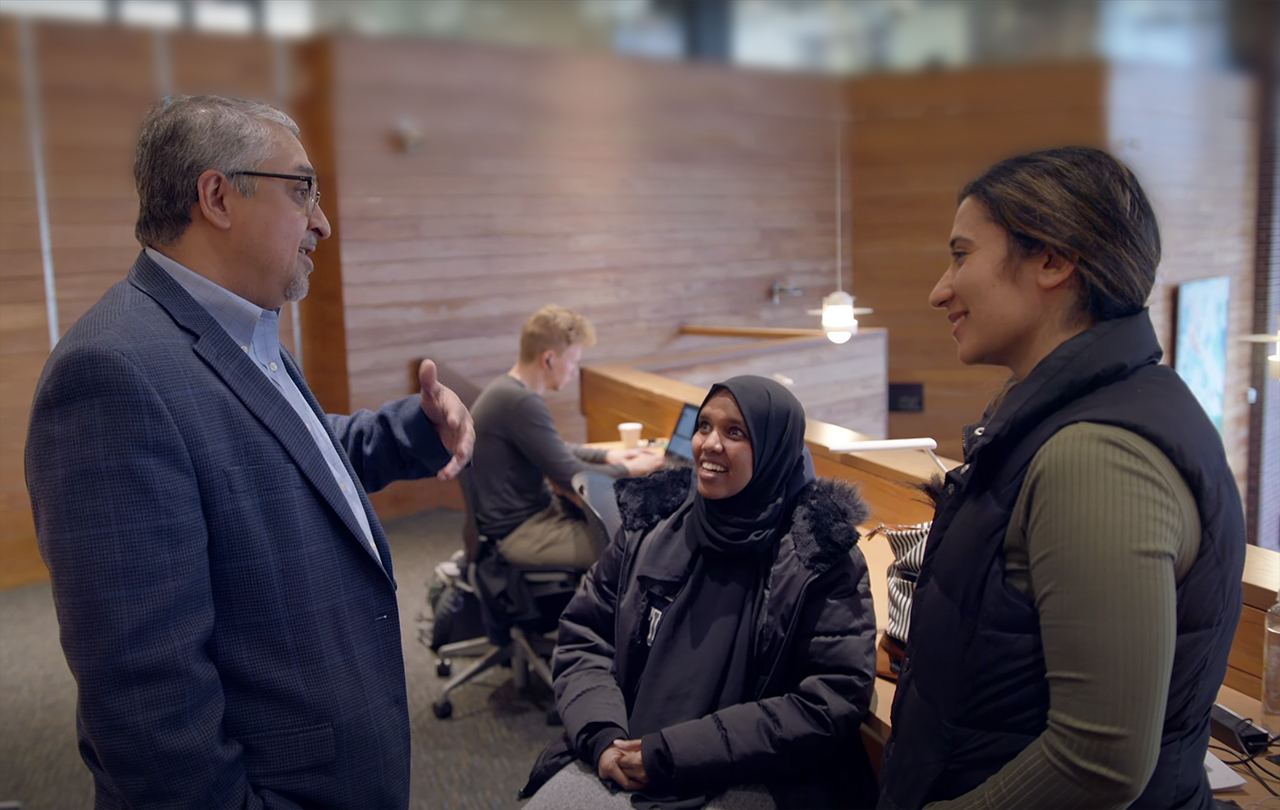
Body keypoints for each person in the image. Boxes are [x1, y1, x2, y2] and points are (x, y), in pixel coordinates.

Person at [24, 95, 475, 810]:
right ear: (217, 196)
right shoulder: (112, 374)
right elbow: (146, 708)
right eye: (303, 190)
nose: (323, 221)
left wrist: (413, 428)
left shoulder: (242, 327)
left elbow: (287, 462)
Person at [877, 147, 1247, 810]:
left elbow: (1097, 761)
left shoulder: (1098, 455)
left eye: (962, 255)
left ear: (1052, 259)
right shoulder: (1057, 417)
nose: (940, 289)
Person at [523, 376, 879, 810]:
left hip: (749, 770)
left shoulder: (818, 556)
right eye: (704, 426)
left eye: (735, 433)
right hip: (624, 739)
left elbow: (829, 699)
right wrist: (601, 733)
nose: (709, 444)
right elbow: (585, 632)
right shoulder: (653, 520)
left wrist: (675, 754)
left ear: (772, 450)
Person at [469, 305, 663, 570]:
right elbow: (573, 478)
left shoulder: (507, 392)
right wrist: (630, 468)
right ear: (548, 359)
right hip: (520, 531)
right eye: (573, 362)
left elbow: (555, 448)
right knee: (632, 547)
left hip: (528, 516)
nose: (574, 372)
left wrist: (608, 455)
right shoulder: (520, 402)